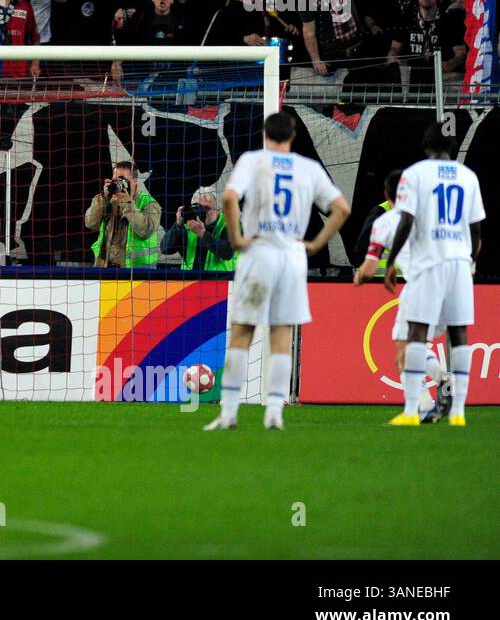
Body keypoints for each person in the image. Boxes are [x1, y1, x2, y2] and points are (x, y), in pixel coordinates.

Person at [205, 112, 351, 431]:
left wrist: (237, 239)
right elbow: (342, 209)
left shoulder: (253, 160)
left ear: (263, 134)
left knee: (242, 332)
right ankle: (274, 411)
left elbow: (230, 197)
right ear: (293, 134)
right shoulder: (307, 167)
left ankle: (229, 412)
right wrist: (314, 244)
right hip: (292, 257)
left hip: (259, 252)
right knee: (281, 335)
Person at [379, 124, 485, 427]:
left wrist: (391, 263)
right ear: (452, 146)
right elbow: (476, 228)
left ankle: (412, 410)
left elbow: (407, 220)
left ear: (425, 145)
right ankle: (459, 413)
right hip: (460, 262)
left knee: (416, 332)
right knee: (459, 333)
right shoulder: (469, 176)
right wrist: (470, 260)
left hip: (429, 262)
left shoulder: (415, 174)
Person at [352, 169, 448, 423]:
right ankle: (433, 395)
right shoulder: (428, 216)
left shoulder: (384, 221)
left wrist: (359, 276)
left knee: (402, 351)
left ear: (387, 194)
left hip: (417, 286)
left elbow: (369, 265)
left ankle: (429, 396)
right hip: (443, 283)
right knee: (413, 347)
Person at [85, 161, 161, 268]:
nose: (117, 184)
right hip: (105, 267)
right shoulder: (106, 200)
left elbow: (146, 230)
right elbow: (90, 224)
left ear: (134, 182)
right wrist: (102, 199)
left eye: (123, 180)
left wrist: (127, 203)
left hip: (137, 270)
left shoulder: (149, 203)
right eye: (115, 180)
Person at [160, 187, 237, 271]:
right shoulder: (188, 225)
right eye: (197, 207)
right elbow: (165, 249)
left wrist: (202, 233)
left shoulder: (230, 224)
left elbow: (227, 252)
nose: (202, 211)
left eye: (207, 208)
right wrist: (178, 225)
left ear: (218, 210)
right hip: (189, 281)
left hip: (220, 281)